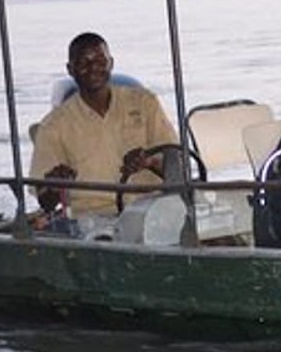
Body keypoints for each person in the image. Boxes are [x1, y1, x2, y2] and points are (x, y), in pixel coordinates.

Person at [29, 32, 178, 218]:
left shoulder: (145, 102)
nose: (93, 68)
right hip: (96, 220)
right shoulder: (53, 126)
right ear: (70, 69)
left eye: (100, 60)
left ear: (111, 63)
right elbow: (46, 202)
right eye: (84, 62)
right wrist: (55, 186)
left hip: (155, 211)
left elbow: (178, 169)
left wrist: (150, 162)